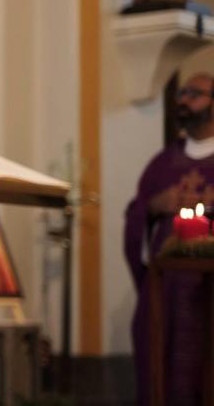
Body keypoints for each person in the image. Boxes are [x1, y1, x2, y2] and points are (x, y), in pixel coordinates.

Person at [124, 72, 214, 406]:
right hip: (167, 293)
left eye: (195, 94)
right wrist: (152, 207)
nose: (184, 101)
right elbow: (135, 221)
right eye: (181, 94)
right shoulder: (161, 165)